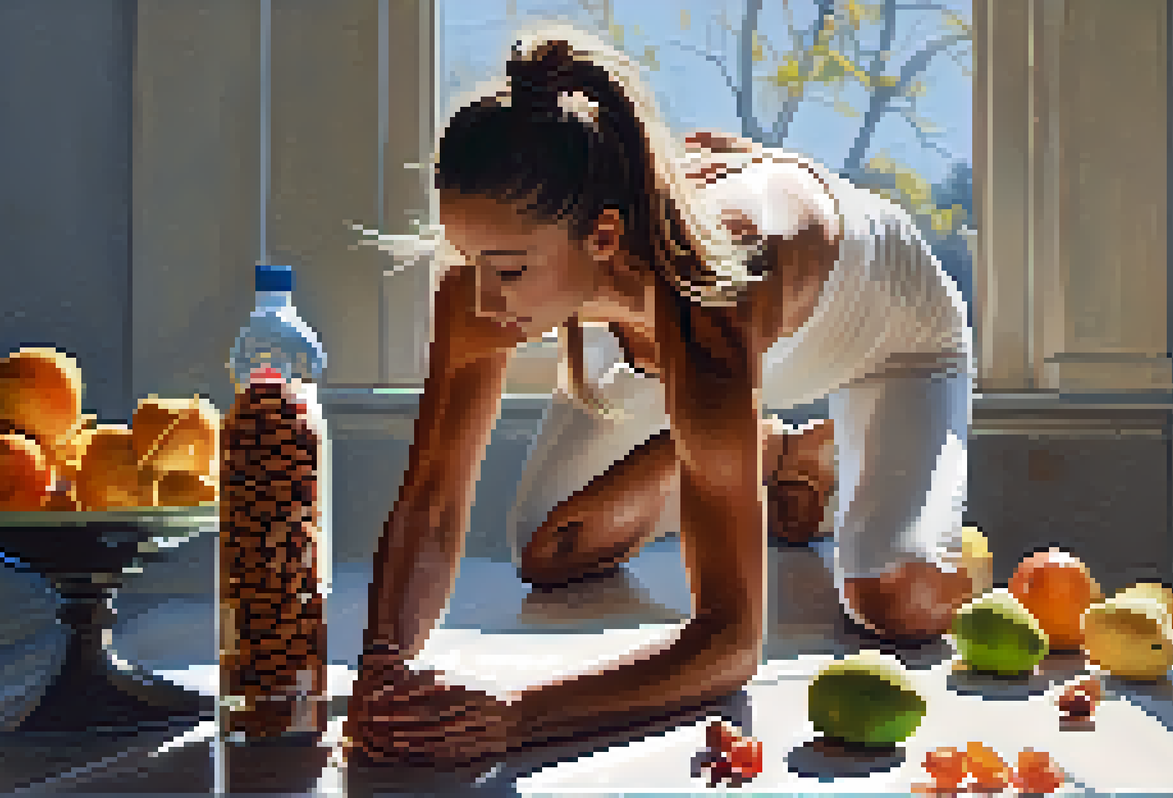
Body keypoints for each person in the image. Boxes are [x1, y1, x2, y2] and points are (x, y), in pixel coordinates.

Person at [346, 27, 975, 769]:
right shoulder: (502, 283)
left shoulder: (713, 305)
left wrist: (518, 718)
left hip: (889, 338)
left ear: (605, 234)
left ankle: (852, 481)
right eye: (466, 258)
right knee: (550, 550)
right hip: (666, 316)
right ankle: (767, 451)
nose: (479, 298)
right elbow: (432, 499)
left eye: (509, 269)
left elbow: (731, 643)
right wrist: (384, 663)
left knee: (891, 598)